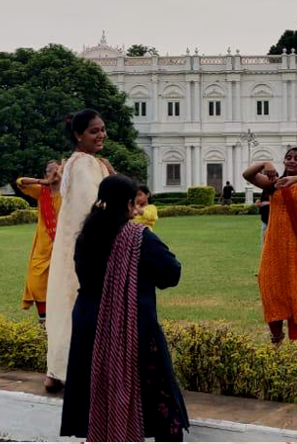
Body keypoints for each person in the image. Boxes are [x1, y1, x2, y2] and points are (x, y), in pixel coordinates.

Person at [61, 175, 189, 441]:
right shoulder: (138, 238)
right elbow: (171, 273)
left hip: (90, 326)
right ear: (131, 203)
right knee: (159, 397)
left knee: (96, 392)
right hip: (132, 327)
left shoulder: (86, 235)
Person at [45, 109, 113, 392]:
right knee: (83, 304)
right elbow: (94, 208)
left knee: (66, 301)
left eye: (102, 129)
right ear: (78, 135)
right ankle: (77, 371)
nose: (101, 135)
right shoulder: (84, 164)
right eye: (94, 131)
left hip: (73, 246)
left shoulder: (82, 162)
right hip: (88, 247)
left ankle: (57, 370)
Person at [243, 148, 297, 345]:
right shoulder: (273, 185)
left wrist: (296, 180)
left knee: (296, 288)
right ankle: (276, 337)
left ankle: (294, 341)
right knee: (270, 285)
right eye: (289, 158)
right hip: (275, 244)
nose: (292, 161)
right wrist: (265, 163)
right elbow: (248, 175)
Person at [16, 160, 64, 324]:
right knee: (36, 281)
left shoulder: (68, 192)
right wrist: (43, 182)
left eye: (59, 169)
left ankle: (60, 320)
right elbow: (20, 182)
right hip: (43, 246)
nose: (56, 173)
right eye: (52, 170)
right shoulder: (41, 191)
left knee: (64, 284)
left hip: (64, 246)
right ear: (46, 174)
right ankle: (43, 320)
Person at [256, 165, 278, 243]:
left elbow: (282, 202)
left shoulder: (278, 189)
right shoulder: (266, 188)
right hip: (265, 218)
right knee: (265, 242)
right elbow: (262, 200)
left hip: (275, 219)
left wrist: (268, 203)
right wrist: (259, 202)